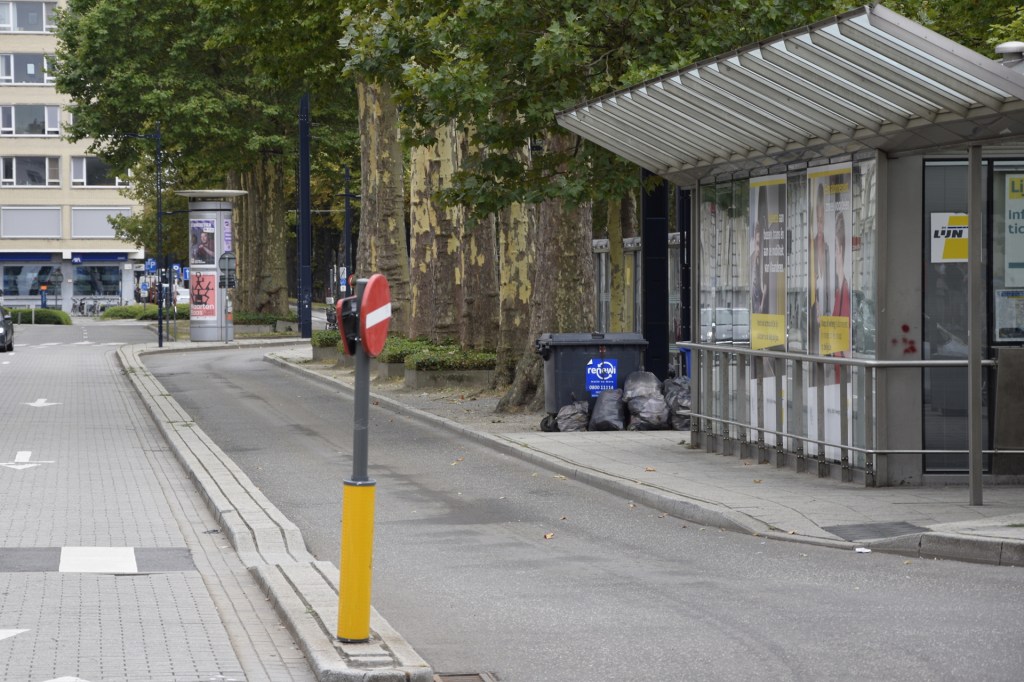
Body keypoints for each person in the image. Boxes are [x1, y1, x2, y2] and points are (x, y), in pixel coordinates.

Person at [810, 182, 830, 355]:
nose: (820, 224)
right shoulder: (812, 247)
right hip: (815, 313)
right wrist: (816, 307)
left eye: (822, 220)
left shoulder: (829, 248)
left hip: (828, 314)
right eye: (818, 220)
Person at [832, 211, 851, 382]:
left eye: (836, 248)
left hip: (841, 365)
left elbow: (844, 331)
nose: (835, 255)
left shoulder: (844, 290)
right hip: (837, 363)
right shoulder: (839, 289)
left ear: (840, 250)